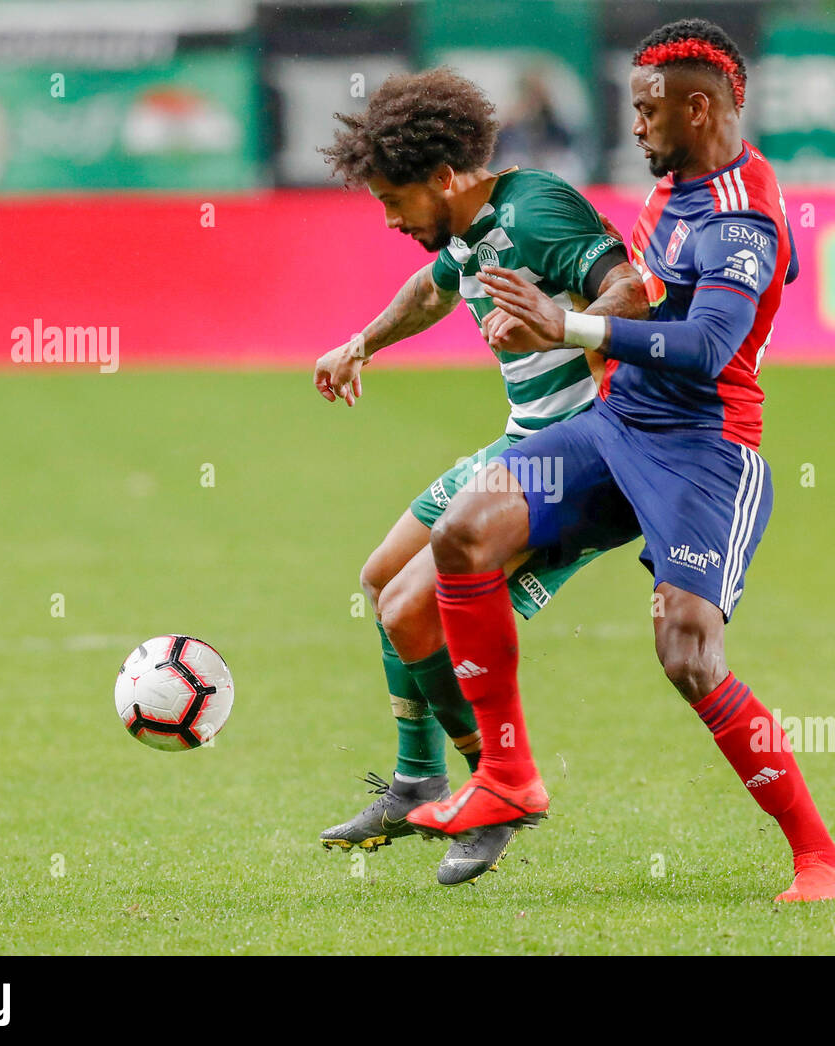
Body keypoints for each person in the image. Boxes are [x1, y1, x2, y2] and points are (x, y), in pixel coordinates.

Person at [405, 20, 835, 902]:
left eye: (649, 111)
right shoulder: (688, 182)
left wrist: (566, 325)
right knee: (463, 534)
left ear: (700, 108)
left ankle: (821, 860)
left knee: (689, 656)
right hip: (616, 426)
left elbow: (706, 345)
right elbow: (664, 292)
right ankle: (507, 776)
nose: (638, 125)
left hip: (703, 452)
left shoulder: (740, 222)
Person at [313, 68, 648, 885]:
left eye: (394, 200)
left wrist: (560, 325)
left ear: (443, 176)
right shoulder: (464, 226)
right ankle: (417, 780)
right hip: (520, 442)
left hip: (583, 458)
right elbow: (433, 291)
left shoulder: (537, 210)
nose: (390, 219)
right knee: (381, 581)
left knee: (413, 609)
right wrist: (361, 342)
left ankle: (498, 789)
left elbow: (634, 292)